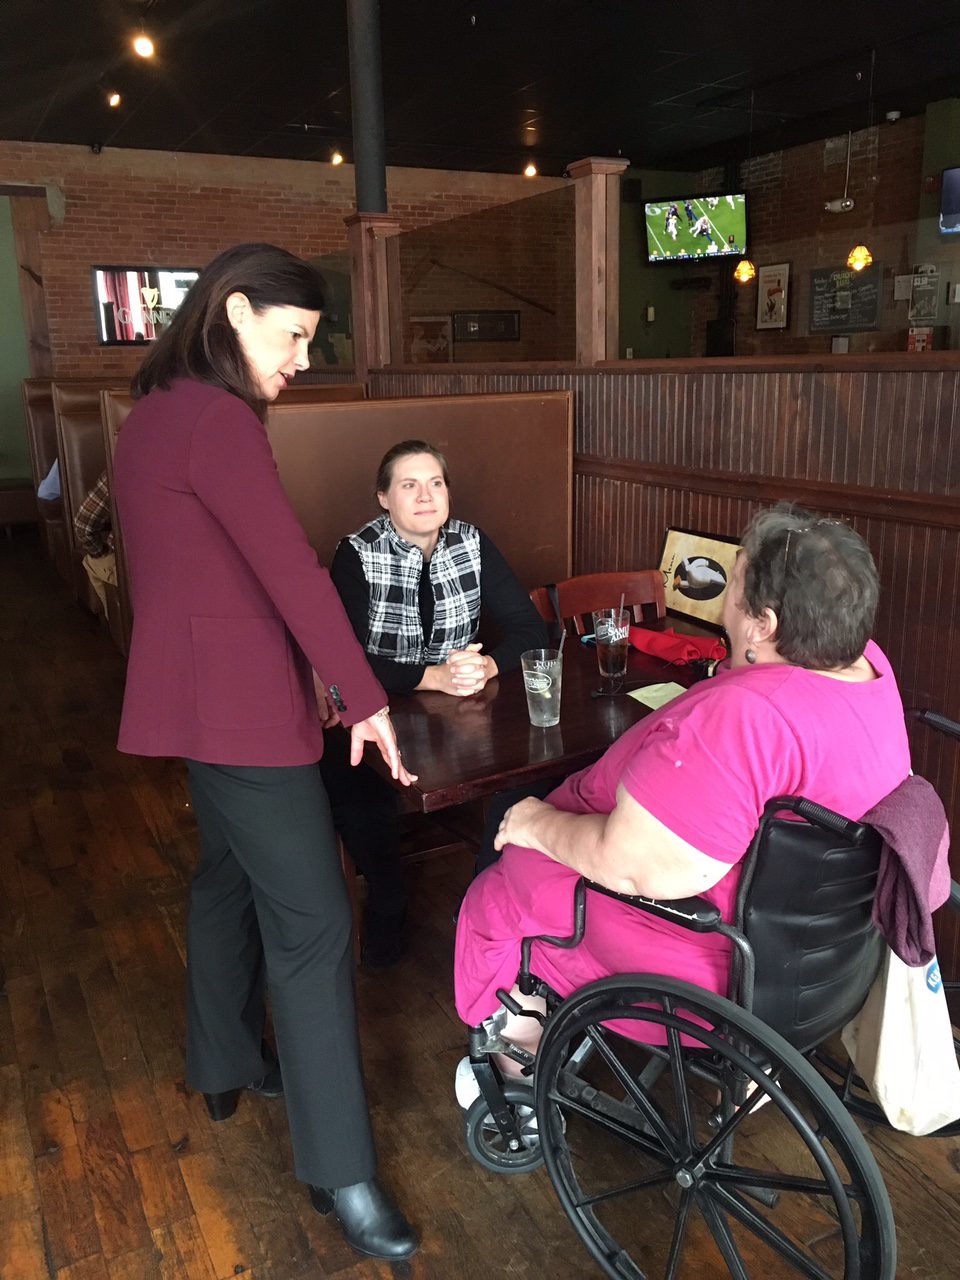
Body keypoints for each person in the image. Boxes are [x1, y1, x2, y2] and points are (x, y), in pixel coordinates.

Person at [112, 243, 418, 1261]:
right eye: (291, 335)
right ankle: (343, 1171)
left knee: (227, 880)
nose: (299, 358)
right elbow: (289, 566)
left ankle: (223, 1058)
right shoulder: (216, 416)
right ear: (235, 312)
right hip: (242, 713)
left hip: (200, 705)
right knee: (317, 924)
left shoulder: (154, 408)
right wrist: (366, 696)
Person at [452, 506, 912, 1105]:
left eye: (734, 585)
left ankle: (514, 1072)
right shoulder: (869, 667)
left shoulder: (749, 720)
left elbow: (636, 867)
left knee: (499, 889)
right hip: (816, 952)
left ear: (763, 624)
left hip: (709, 957)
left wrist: (536, 823)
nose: (726, 598)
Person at [321, 439, 548, 964]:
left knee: (529, 770)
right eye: (409, 485)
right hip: (372, 715)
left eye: (436, 483)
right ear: (383, 497)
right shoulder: (355, 553)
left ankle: (483, 903)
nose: (426, 496)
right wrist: (432, 678)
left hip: (461, 716)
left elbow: (529, 629)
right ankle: (387, 900)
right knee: (363, 791)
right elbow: (344, 659)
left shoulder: (472, 542)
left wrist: (488, 664)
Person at [73, 469, 117, 613]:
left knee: (92, 562)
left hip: (140, 572)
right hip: (183, 569)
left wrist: (101, 553)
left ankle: (118, 629)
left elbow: (83, 525)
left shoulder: (125, 463)